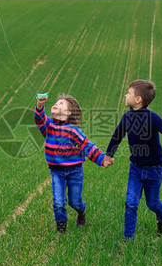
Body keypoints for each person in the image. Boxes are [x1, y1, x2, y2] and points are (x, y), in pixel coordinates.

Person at [106, 79, 162, 240]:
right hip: (135, 168)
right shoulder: (126, 118)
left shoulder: (153, 118)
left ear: (138, 99)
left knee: (152, 203)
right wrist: (109, 155)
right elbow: (117, 137)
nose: (125, 95)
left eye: (128, 93)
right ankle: (128, 238)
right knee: (131, 203)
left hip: (154, 169)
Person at [35, 94, 112, 233]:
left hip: (74, 172)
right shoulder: (49, 126)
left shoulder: (73, 130)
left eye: (61, 104)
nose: (57, 104)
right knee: (58, 202)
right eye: (56, 102)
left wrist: (102, 158)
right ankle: (61, 228)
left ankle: (81, 212)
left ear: (68, 113)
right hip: (56, 172)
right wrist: (40, 105)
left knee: (74, 202)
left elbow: (87, 146)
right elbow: (40, 120)